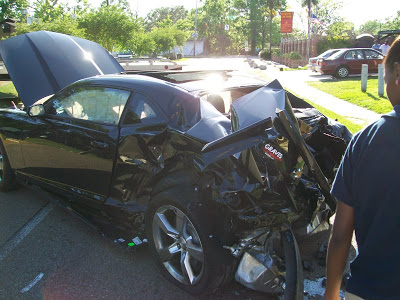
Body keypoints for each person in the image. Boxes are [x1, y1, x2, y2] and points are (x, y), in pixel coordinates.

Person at [325, 35, 400, 300]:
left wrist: (331, 295)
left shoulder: (364, 142)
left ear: (397, 74)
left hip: (371, 289)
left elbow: (340, 235)